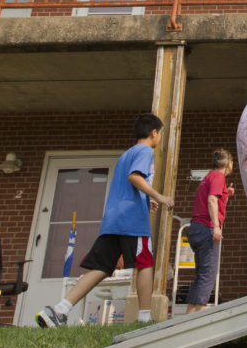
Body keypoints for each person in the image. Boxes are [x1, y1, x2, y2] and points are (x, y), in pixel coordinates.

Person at [37, 113, 174, 327]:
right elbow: (135, 177)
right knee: (145, 262)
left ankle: (59, 310)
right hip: (132, 221)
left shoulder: (126, 154)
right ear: (154, 133)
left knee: (101, 267)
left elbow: (128, 186)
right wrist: (159, 196)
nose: (160, 138)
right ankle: (145, 318)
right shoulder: (145, 151)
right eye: (160, 134)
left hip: (113, 220)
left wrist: (147, 201)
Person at [185, 148, 236, 314]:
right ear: (228, 164)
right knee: (208, 274)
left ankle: (188, 317)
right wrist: (216, 227)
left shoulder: (209, 177)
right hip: (206, 228)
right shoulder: (218, 176)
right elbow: (212, 199)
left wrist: (226, 194)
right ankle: (200, 316)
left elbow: (214, 197)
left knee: (201, 275)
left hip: (196, 229)